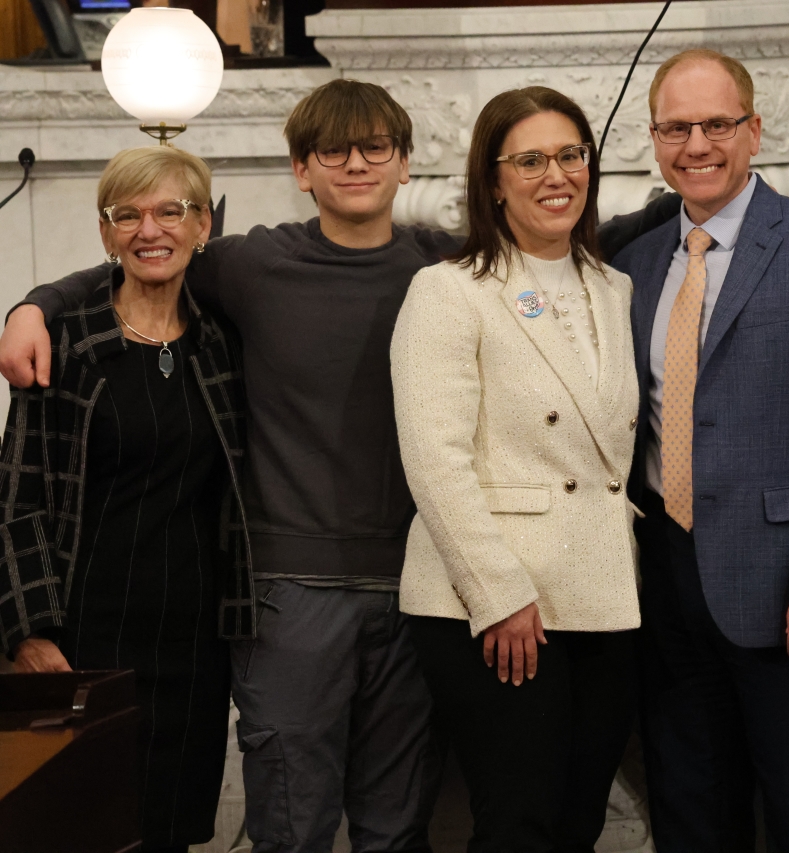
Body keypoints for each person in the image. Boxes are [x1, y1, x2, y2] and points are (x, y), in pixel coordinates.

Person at [0, 79, 672, 853]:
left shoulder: (442, 264)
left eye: (374, 148)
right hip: (292, 593)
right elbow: (150, 251)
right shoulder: (252, 265)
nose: (355, 164)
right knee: (293, 823)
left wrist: (682, 201)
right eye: (333, 151)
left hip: (421, 589)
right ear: (301, 169)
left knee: (397, 824)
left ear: (405, 165)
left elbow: (575, 233)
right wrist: (34, 305)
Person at [611, 49, 789, 852]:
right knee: (691, 812)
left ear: (753, 130)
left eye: (716, 125)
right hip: (664, 588)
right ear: (655, 138)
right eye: (676, 128)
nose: (696, 144)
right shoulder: (633, 265)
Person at [391, 86, 640, 853]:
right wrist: (497, 595)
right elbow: (435, 457)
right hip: (494, 601)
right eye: (529, 159)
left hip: (602, 590)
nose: (554, 174)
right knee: (517, 823)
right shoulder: (448, 289)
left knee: (577, 821)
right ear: (492, 179)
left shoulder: (614, 286)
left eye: (571, 155)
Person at [0, 146, 250, 853]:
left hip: (195, 644)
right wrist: (29, 629)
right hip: (85, 637)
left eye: (171, 210)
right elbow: (17, 497)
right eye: (128, 215)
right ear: (107, 234)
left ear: (203, 225)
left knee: (170, 830)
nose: (151, 230)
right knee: (78, 828)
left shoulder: (221, 343)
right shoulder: (67, 345)